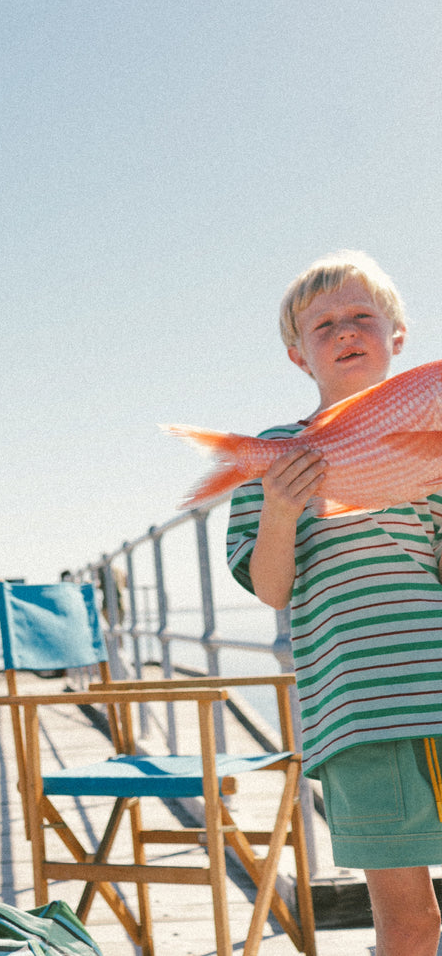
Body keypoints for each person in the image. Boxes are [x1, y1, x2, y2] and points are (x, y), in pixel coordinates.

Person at [227, 251, 442, 956]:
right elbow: (271, 589)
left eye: (362, 317)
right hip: (360, 716)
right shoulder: (272, 453)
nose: (345, 331)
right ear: (297, 355)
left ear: (397, 337)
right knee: (411, 924)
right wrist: (282, 511)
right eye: (324, 325)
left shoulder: (434, 439)